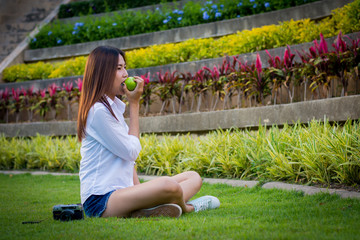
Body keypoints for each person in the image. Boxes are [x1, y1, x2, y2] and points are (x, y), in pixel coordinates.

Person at [77, 46, 220, 218]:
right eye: (119, 68)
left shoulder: (112, 109)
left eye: (124, 67)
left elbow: (128, 162)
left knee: (194, 177)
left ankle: (144, 210)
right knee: (169, 186)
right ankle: (189, 207)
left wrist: (138, 190)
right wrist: (135, 104)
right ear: (102, 73)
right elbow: (131, 152)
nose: (125, 74)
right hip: (101, 201)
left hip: (124, 193)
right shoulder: (98, 111)